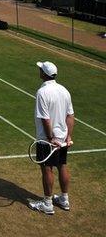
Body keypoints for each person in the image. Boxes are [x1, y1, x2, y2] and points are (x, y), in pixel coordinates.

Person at [28, 61, 75, 215]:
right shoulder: (64, 90)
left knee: (47, 168)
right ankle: (64, 199)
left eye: (40, 69)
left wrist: (50, 138)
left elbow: (45, 119)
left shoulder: (42, 93)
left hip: (47, 140)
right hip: (62, 139)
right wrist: (68, 136)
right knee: (62, 165)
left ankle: (48, 203)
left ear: (44, 74)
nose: (39, 70)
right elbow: (70, 116)